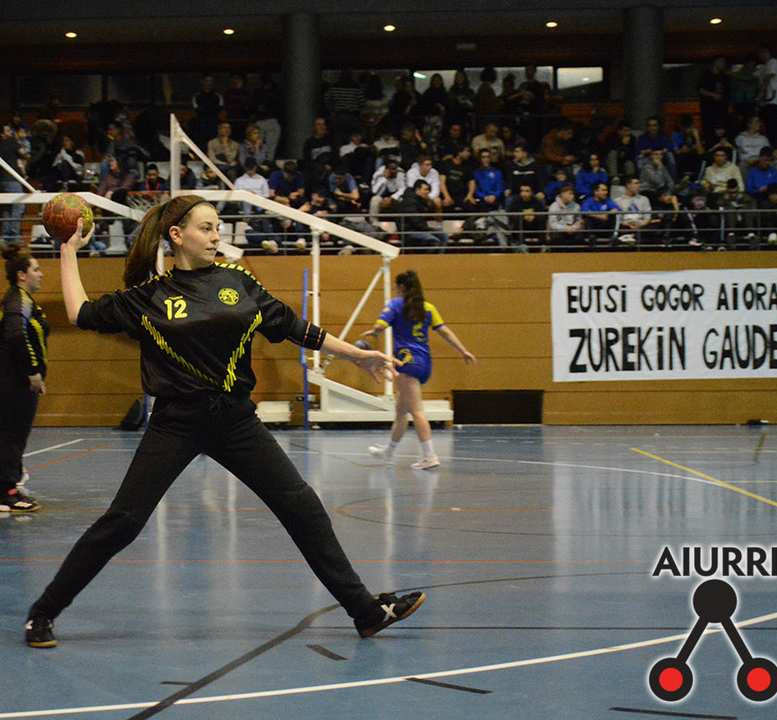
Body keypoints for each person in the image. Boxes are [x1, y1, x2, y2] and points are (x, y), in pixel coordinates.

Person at [24, 195, 425, 648]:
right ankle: (42, 613)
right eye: (207, 228)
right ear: (177, 235)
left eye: (218, 227)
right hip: (176, 423)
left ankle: (365, 612)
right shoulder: (150, 296)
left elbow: (292, 325)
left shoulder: (238, 281)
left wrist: (355, 355)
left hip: (236, 422)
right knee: (123, 521)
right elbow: (80, 314)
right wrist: (68, 250)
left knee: (303, 507)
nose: (217, 236)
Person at [363, 270, 475, 470]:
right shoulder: (428, 307)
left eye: (396, 287)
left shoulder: (396, 304)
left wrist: (374, 332)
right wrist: (463, 350)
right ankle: (388, 453)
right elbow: (444, 331)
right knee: (401, 411)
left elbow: (380, 325)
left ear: (401, 288)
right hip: (424, 362)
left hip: (407, 360)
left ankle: (429, 456)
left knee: (416, 411)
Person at [0, 244, 47, 513]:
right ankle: (6, 493)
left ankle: (9, 488)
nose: (41, 274)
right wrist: (32, 372)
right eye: (36, 269)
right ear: (22, 275)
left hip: (13, 376)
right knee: (12, 434)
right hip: (10, 376)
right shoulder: (17, 301)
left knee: (15, 434)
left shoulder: (22, 299)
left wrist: (36, 374)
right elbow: (15, 336)